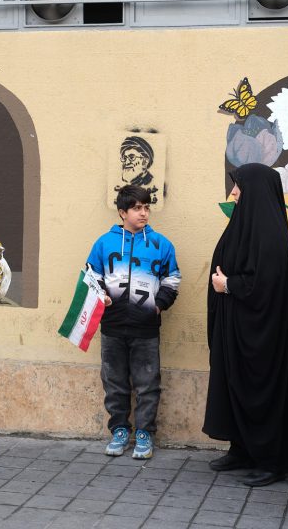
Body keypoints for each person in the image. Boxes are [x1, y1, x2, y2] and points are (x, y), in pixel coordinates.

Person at [204, 163, 288, 487]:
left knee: (261, 391)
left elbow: (264, 284)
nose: (232, 192)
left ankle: (272, 461)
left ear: (254, 190)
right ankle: (241, 449)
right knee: (234, 385)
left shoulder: (269, 234)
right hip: (237, 327)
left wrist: (228, 285)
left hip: (263, 333)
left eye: (238, 186)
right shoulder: (244, 225)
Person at [86, 184, 181, 460]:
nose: (144, 213)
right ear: (122, 212)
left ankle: (144, 433)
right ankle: (119, 430)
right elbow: (91, 275)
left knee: (147, 381)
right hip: (113, 326)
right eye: (137, 208)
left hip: (146, 328)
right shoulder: (104, 243)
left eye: (147, 207)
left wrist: (159, 305)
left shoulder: (161, 244)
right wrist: (101, 294)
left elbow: (172, 278)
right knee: (114, 380)